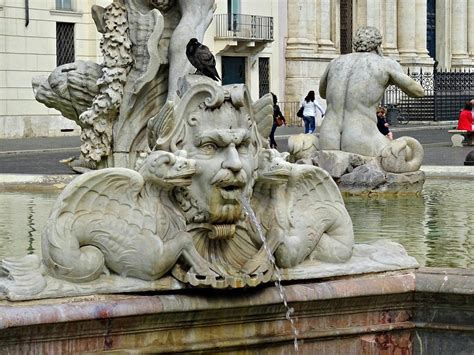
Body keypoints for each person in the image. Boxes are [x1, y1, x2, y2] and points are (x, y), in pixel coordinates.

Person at [319, 26, 424, 157]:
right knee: (407, 154)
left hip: (327, 136)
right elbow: (418, 92)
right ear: (378, 46)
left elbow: (322, 93)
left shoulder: (335, 62)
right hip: (360, 137)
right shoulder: (384, 64)